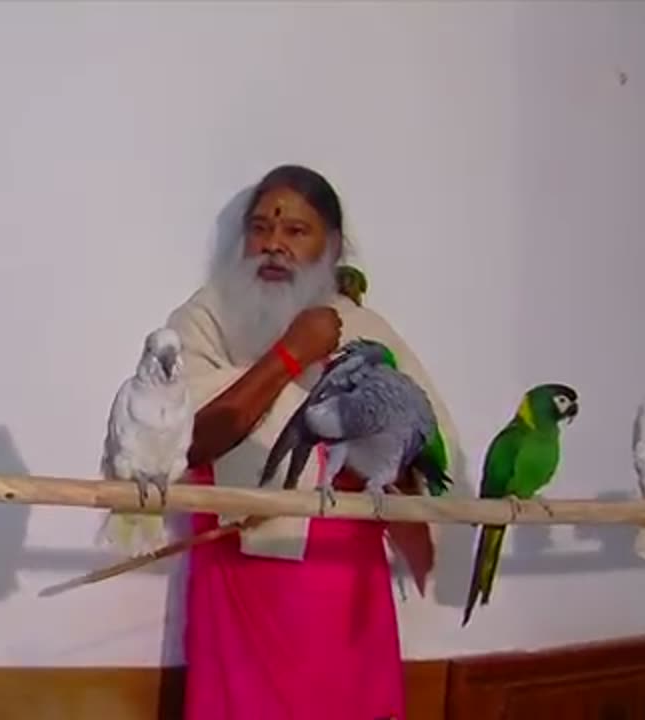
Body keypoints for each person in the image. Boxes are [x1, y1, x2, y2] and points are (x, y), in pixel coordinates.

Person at [166, 164, 457, 720]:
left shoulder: (365, 330)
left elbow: (418, 447)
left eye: (296, 231)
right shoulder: (205, 319)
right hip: (238, 577)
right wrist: (291, 355)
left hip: (343, 582)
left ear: (334, 247)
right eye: (260, 228)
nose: (273, 244)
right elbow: (185, 439)